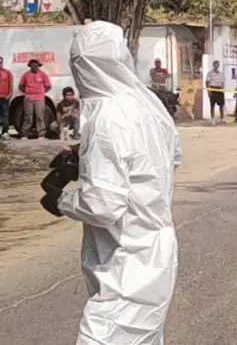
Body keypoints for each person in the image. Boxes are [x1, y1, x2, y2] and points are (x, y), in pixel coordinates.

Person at [39, 20, 182, 345]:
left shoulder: (107, 119)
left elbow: (103, 206)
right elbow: (170, 157)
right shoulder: (148, 104)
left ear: (82, 67)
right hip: (155, 250)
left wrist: (60, 200)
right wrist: (85, 160)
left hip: (127, 261)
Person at [20, 59, 52, 139]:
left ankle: (41, 134)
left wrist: (41, 92)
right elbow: (21, 86)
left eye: (36, 66)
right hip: (28, 98)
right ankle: (24, 134)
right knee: (28, 116)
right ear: (30, 66)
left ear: (38, 66)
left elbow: (48, 86)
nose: (35, 67)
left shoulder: (43, 74)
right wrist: (27, 92)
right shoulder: (25, 75)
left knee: (40, 115)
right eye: (33, 66)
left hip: (39, 98)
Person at [204, 60, 226, 124]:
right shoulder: (210, 73)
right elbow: (207, 82)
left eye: (217, 64)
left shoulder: (221, 73)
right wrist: (209, 91)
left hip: (219, 90)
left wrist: (222, 89)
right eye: (215, 64)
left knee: (221, 105)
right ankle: (213, 119)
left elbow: (223, 82)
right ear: (213, 65)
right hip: (213, 89)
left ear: (219, 65)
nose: (216, 65)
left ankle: (221, 119)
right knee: (212, 105)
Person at [0, 56, 12, 139]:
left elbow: (11, 84)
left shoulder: (7, 72)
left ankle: (5, 132)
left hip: (4, 97)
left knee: (5, 115)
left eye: (1, 62)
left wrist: (9, 94)